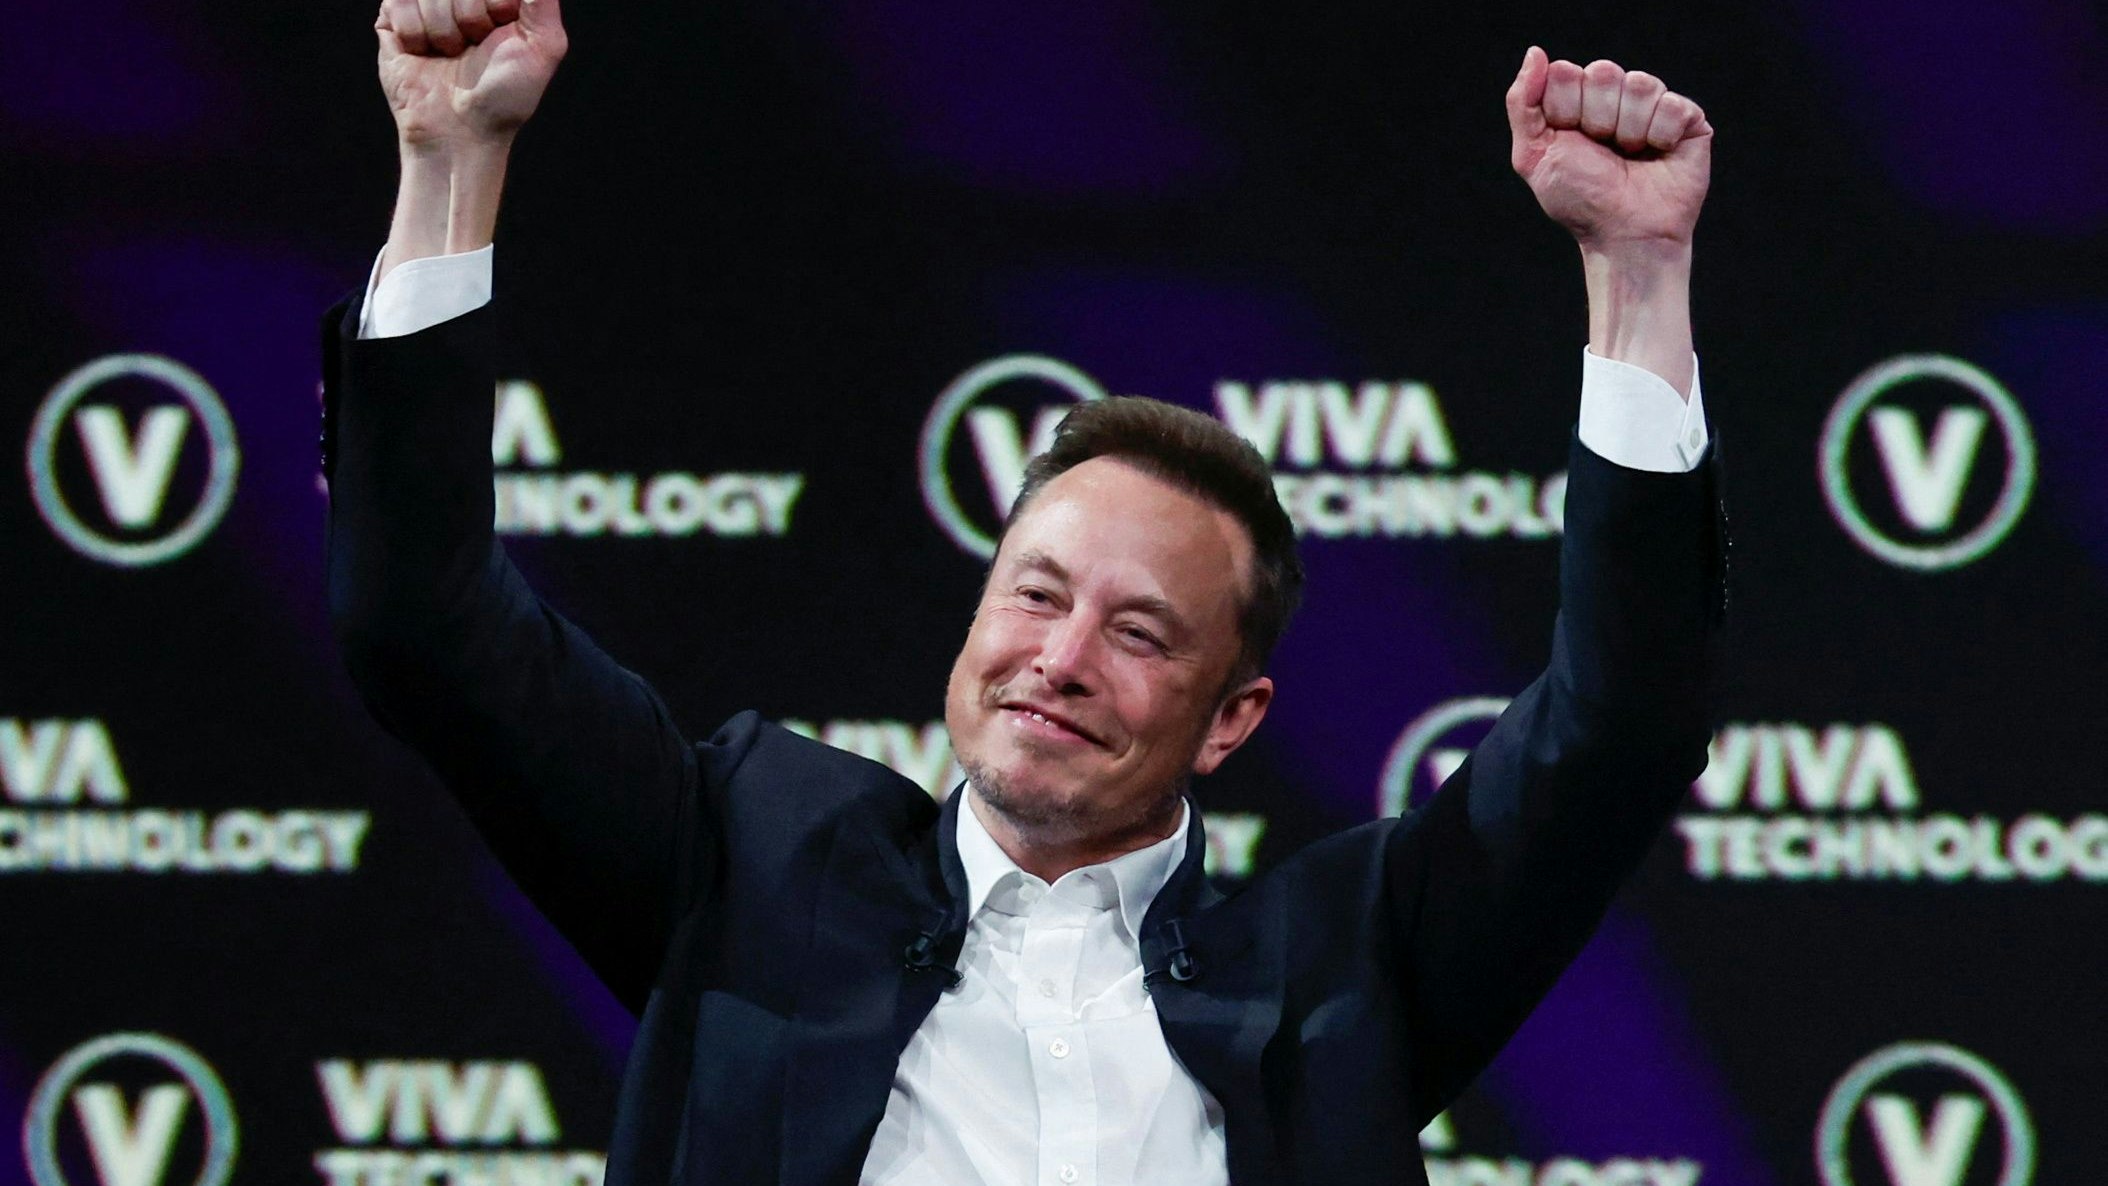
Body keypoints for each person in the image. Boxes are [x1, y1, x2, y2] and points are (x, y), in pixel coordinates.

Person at [323, 0, 1725, 1182]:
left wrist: (1639, 275)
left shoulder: (1352, 967)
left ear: (1232, 718)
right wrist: (450, 159)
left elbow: (1623, 725)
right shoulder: (741, 867)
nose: (1061, 658)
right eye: (1037, 595)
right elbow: (426, 626)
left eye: (1139, 632)